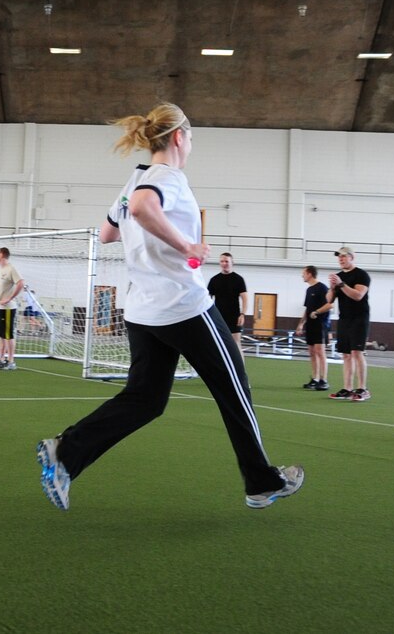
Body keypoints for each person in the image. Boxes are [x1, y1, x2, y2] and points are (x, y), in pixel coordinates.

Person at [36, 102, 303, 512]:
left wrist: (152, 235)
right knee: (236, 389)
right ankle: (261, 481)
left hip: (143, 311)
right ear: (179, 137)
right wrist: (187, 245)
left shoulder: (136, 179)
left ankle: (66, 454)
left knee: (145, 400)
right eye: (192, 136)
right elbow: (143, 209)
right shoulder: (168, 177)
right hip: (185, 306)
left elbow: (108, 231)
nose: (192, 143)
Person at [326, 246, 372, 402]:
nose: (341, 259)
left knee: (356, 353)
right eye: (339, 257)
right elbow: (329, 300)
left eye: (344, 256)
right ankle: (347, 388)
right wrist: (332, 288)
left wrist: (341, 284)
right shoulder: (338, 277)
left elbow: (358, 295)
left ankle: (363, 389)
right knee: (345, 355)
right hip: (344, 318)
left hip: (359, 318)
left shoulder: (361, 275)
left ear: (352, 257)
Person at [295, 266, 331, 391]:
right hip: (310, 325)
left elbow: (329, 305)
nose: (302, 275)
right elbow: (307, 309)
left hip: (321, 325)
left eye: (303, 273)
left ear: (310, 274)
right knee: (312, 352)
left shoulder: (322, 288)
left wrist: (317, 311)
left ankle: (323, 380)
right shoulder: (309, 290)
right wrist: (301, 324)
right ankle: (315, 379)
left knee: (320, 352)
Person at [0, 247, 23, 370]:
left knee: (8, 335)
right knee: (0, 335)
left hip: (7, 308)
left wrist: (9, 298)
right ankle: (1, 359)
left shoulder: (11, 269)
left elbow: (20, 283)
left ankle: (11, 361)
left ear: (2, 255)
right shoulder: (0, 270)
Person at [207, 253, 248, 357]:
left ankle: (240, 371)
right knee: (218, 344)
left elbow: (245, 298)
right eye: (222, 261)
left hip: (234, 316)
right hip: (218, 317)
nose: (224, 263)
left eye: (226, 261)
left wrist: (242, 314)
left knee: (236, 344)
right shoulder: (214, 280)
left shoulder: (238, 279)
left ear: (232, 263)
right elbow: (207, 299)